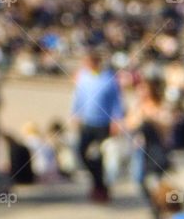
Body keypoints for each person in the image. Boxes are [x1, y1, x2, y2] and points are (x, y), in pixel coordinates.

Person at [71, 51, 124, 202]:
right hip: (87, 122)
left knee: (101, 156)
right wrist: (75, 113)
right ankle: (98, 182)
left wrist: (117, 120)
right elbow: (78, 96)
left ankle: (101, 188)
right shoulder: (83, 77)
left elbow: (116, 101)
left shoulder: (109, 78)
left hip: (103, 124)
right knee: (82, 151)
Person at [126, 79, 173, 219]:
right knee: (138, 179)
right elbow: (129, 124)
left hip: (156, 148)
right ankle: (153, 203)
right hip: (140, 150)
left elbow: (167, 127)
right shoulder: (137, 106)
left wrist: (152, 120)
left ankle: (159, 207)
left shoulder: (160, 106)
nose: (142, 93)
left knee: (157, 182)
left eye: (144, 89)